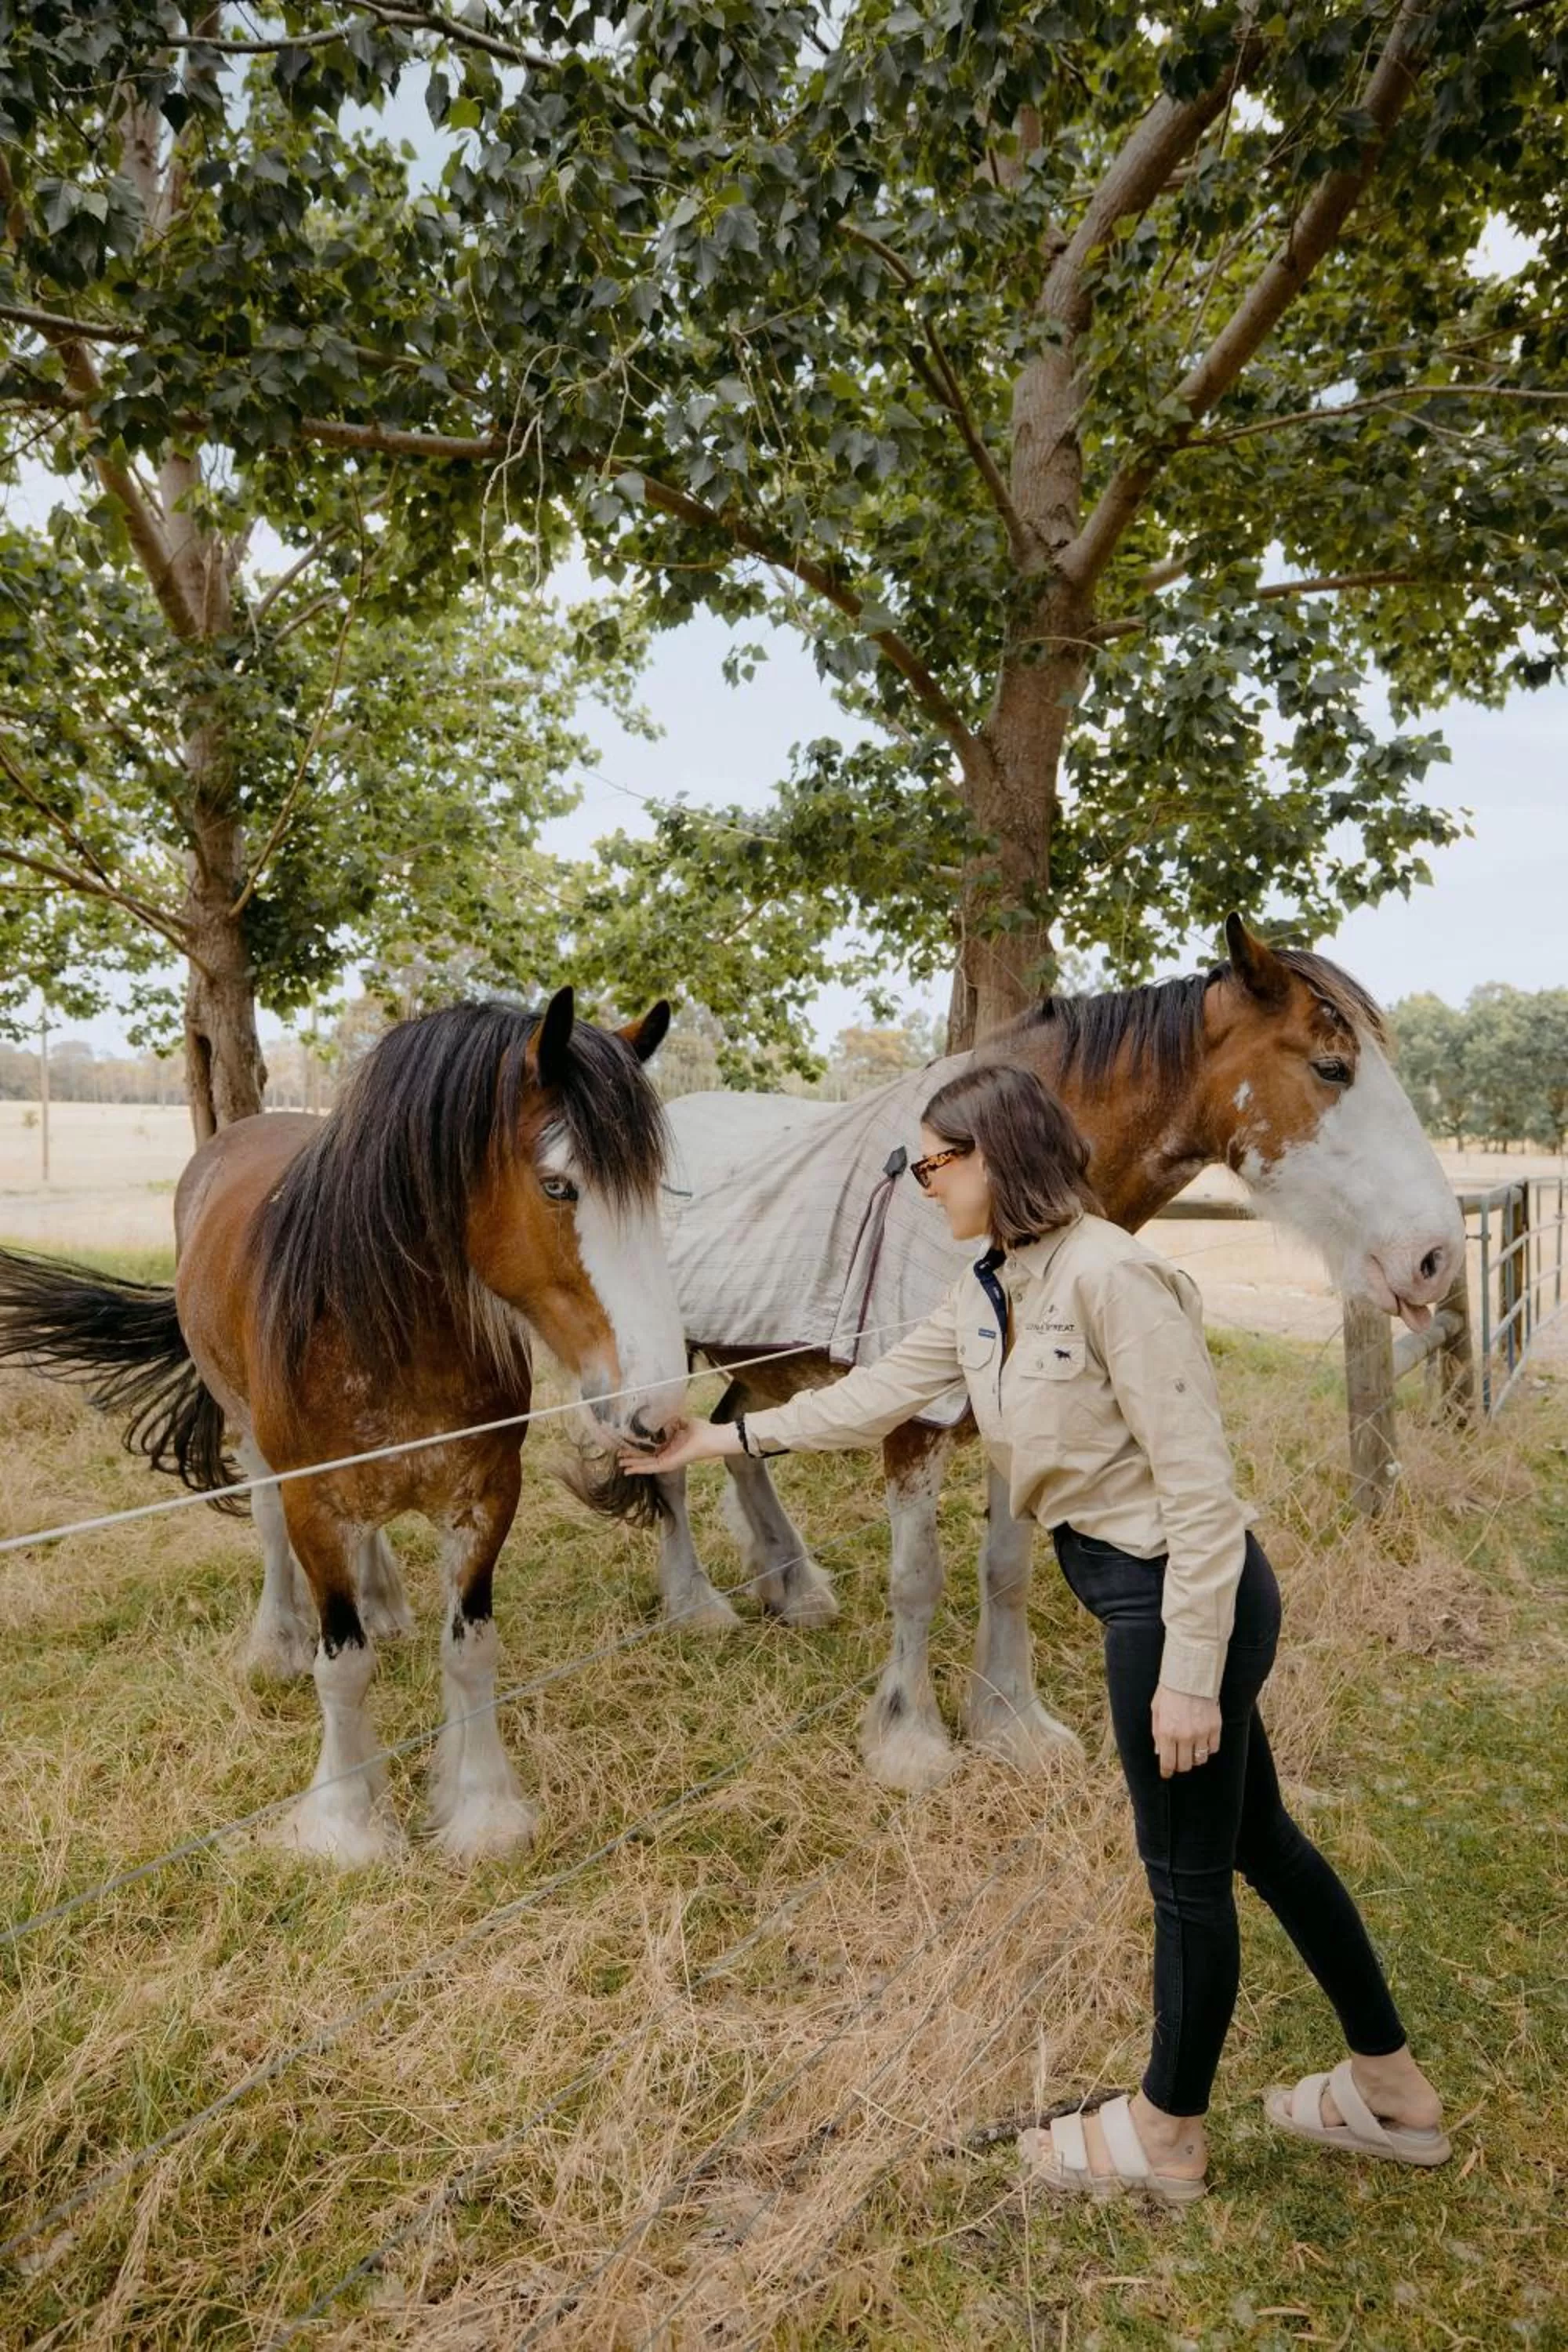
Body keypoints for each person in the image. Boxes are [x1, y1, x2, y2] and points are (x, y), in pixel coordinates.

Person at [622, 1062, 1450, 2205]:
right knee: (1262, 1845)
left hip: (1178, 1602)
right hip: (1140, 1597)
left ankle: (1167, 2136)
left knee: (1185, 1879)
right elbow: (869, 1400)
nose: (920, 1185)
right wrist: (704, 1446)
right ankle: (1393, 2093)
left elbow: (1203, 1497)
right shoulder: (988, 1289)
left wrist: (1191, 1679)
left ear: (992, 1157)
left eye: (932, 1164)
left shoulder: (1116, 1278)